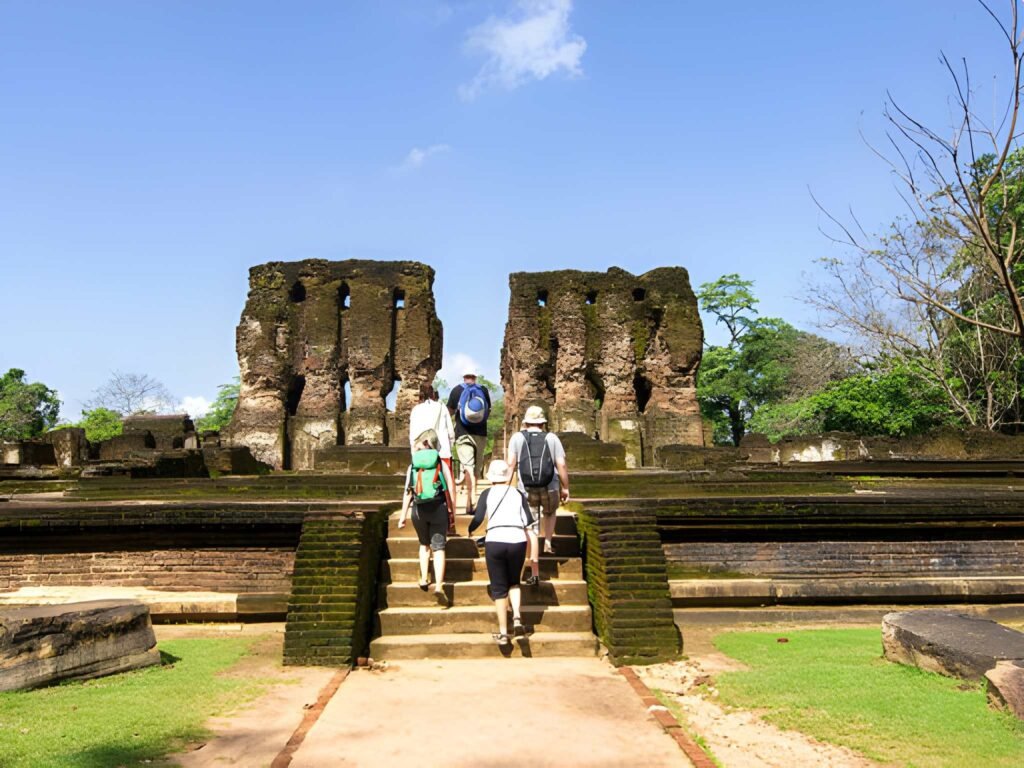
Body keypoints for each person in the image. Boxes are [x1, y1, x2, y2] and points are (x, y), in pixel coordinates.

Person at [468, 459, 536, 646]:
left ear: (491, 477)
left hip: (495, 540)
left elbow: (479, 517)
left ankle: (504, 632)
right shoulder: (518, 493)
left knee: (499, 589)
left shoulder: (487, 494)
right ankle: (517, 616)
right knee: (514, 582)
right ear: (508, 476)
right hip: (517, 540)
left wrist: (470, 529)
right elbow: (528, 520)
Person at [506, 405, 569, 586]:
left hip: (526, 487)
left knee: (531, 524)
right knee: (549, 512)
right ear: (543, 423)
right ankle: (548, 542)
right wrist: (565, 487)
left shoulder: (517, 438)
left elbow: (511, 465)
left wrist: (506, 487)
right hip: (550, 485)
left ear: (525, 422)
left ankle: (531, 556)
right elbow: (561, 465)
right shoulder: (552, 438)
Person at [397, 435, 456, 608]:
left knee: (424, 545)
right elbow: (450, 488)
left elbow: (408, 492)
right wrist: (451, 512)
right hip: (438, 508)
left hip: (419, 510)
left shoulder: (413, 466)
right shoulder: (440, 463)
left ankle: (423, 578)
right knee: (439, 548)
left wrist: (402, 517)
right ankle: (438, 584)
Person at [408, 382, 456, 532]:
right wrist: (450, 446)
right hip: (442, 452)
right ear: (434, 394)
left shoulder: (416, 410)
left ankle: (422, 516)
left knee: (421, 482)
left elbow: (412, 433)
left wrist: (414, 452)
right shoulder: (441, 407)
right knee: (447, 485)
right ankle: (451, 516)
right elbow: (450, 432)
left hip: (420, 453)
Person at [447, 371, 491, 516]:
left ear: (464, 377)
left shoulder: (457, 390)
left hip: (462, 433)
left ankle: (470, 500)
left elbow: (450, 412)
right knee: (476, 470)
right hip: (480, 434)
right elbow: (487, 411)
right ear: (475, 377)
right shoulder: (483, 390)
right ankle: (470, 502)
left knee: (468, 467)